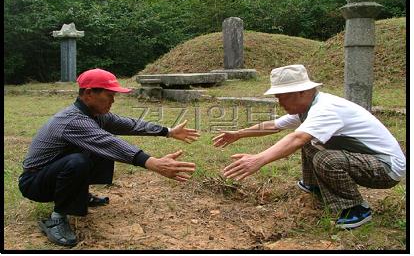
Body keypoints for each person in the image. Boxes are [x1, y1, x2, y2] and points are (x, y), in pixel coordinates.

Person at [19, 68, 200, 246]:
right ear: (88, 94)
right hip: (35, 182)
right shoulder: (74, 120)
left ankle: (80, 195)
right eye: (109, 95)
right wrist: (154, 163)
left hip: (53, 174)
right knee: (81, 159)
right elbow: (110, 143)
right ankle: (57, 219)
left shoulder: (94, 114)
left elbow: (130, 125)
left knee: (95, 151)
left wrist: (167, 131)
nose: (113, 100)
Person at [213, 64, 405, 230]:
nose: (279, 103)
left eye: (282, 97)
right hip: (367, 158)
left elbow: (296, 139)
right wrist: (238, 134)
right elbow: (275, 125)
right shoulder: (309, 107)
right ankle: (314, 187)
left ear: (301, 92)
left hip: (386, 168)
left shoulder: (326, 109)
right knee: (312, 144)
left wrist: (259, 159)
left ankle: (356, 209)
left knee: (324, 157)